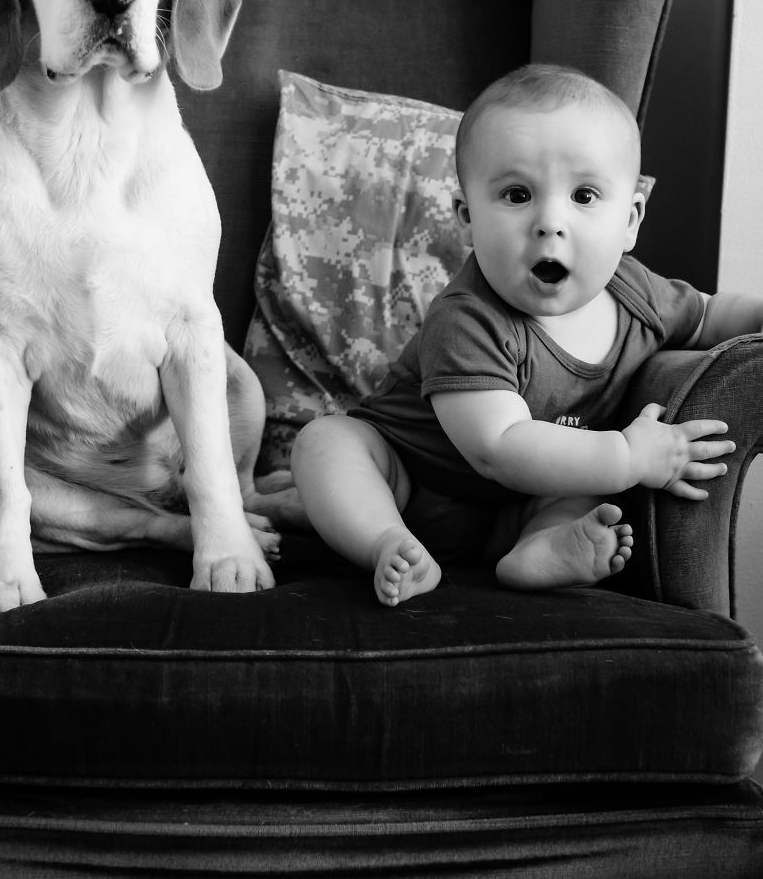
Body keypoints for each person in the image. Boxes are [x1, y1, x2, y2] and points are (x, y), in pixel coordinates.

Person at [291, 63, 762, 606]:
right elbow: (500, 447)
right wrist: (629, 456)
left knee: (583, 489)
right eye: (517, 195)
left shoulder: (637, 294)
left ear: (630, 219)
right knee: (327, 442)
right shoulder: (467, 319)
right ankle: (386, 544)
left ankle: (538, 550)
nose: (549, 222)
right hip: (406, 483)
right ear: (467, 220)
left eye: (584, 196)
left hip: (512, 509)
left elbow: (709, 314)